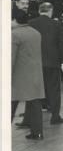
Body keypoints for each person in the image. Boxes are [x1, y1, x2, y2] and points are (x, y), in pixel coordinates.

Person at [28, 2, 63, 125]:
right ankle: (55, 117)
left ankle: (34, 120)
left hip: (35, 63)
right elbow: (62, 45)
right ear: (50, 10)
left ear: (40, 11)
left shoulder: (31, 23)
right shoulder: (56, 24)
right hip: (52, 63)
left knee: (36, 91)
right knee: (54, 89)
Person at [12, 8, 45, 140]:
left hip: (19, 77)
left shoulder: (14, 34)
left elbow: (10, 58)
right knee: (35, 104)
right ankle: (37, 133)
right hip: (35, 74)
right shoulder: (36, 33)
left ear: (15, 20)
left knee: (9, 104)